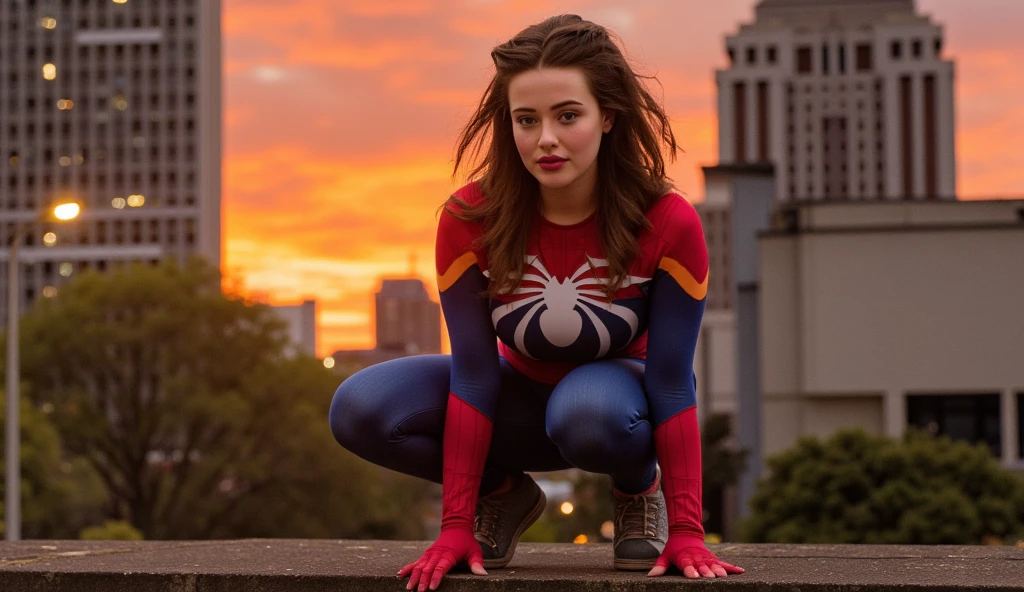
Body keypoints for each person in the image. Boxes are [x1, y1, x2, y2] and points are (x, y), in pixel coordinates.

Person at [329, 13, 745, 592]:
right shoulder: (470, 218)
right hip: (513, 393)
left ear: (608, 117)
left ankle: (633, 489)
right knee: (360, 407)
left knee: (585, 410)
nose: (545, 138)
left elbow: (673, 382)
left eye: (567, 116)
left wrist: (689, 531)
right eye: (527, 120)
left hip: (617, 407)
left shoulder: (668, 221)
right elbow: (473, 376)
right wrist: (455, 524)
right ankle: (503, 493)